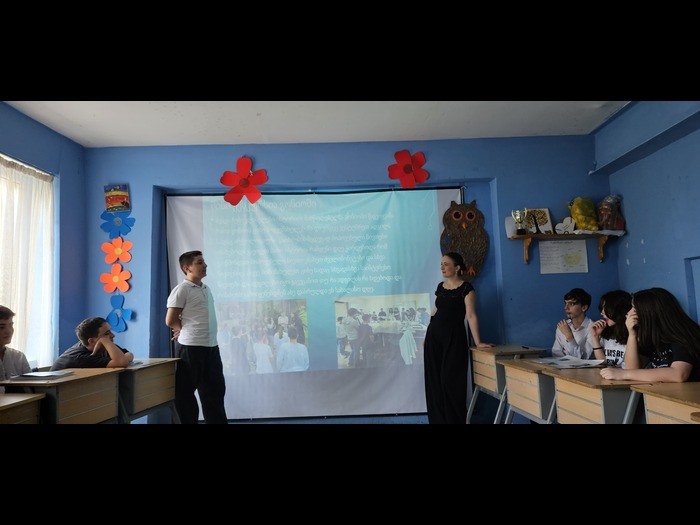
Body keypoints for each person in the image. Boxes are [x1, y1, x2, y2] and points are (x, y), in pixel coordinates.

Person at [423, 252, 495, 424]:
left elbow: (471, 316)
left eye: (446, 264)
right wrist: (427, 334)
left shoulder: (466, 289)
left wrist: (478, 342)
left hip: (454, 339)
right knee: (434, 382)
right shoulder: (441, 287)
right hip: (434, 338)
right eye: (441, 264)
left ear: (457, 267)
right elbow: (435, 312)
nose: (442, 267)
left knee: (451, 381)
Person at [165, 250, 228, 424]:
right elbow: (170, 320)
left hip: (211, 347)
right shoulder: (182, 290)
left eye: (203, 262)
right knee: (185, 395)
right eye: (199, 262)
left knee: (214, 393)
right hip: (190, 348)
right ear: (187, 268)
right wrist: (180, 329)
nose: (204, 265)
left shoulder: (206, 289)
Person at [600, 287, 700, 382]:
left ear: (650, 313)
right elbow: (632, 369)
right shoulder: (653, 335)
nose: (628, 313)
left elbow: (679, 374)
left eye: (634, 309)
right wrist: (632, 334)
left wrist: (623, 374)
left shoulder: (682, 335)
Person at [51, 317, 133, 370]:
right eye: (107, 333)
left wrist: (124, 358)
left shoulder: (104, 346)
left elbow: (129, 354)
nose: (113, 335)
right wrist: (104, 340)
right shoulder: (81, 358)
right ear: (92, 341)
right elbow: (122, 362)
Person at [589, 290, 632, 367]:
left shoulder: (632, 334)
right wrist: (595, 337)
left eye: (606, 308)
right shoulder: (607, 332)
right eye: (602, 308)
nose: (602, 312)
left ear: (619, 309)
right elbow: (602, 363)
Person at [552, 287, 594, 359]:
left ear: (584, 308)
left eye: (571, 304)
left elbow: (584, 359)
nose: (566, 308)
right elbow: (556, 354)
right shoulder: (563, 326)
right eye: (566, 303)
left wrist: (569, 336)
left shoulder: (593, 328)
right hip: (562, 365)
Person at [0, 305, 32, 392]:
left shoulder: (18, 357)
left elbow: (31, 389)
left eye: (11, 325)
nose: (9, 331)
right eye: (1, 327)